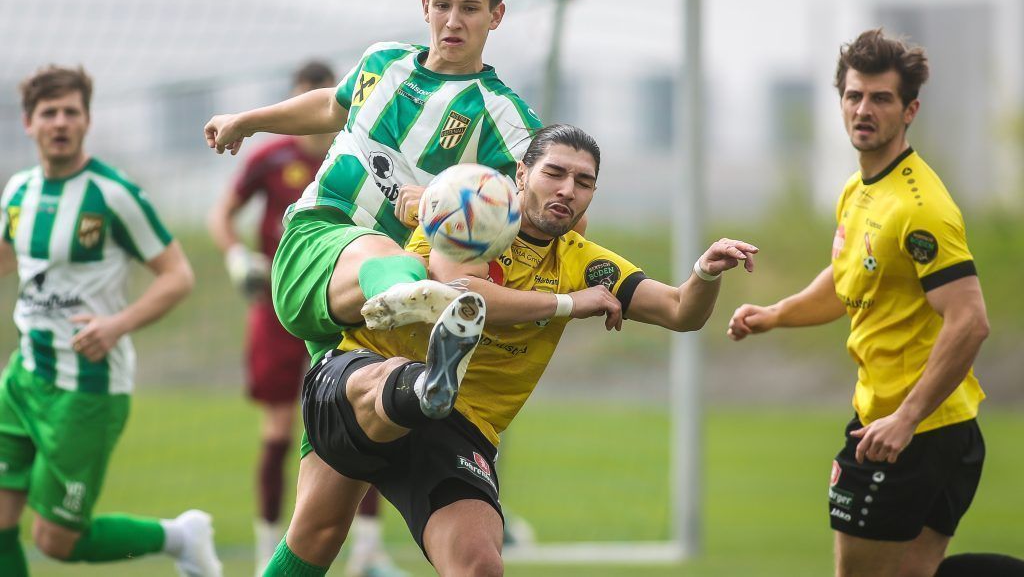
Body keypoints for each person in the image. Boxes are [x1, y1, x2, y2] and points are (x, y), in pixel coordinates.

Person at [203, 0, 545, 574]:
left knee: (319, 526)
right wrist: (249, 119)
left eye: (469, 8)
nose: (452, 21)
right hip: (321, 242)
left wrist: (467, 207)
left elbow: (539, 204)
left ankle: (422, 318)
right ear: (423, 5)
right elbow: (329, 107)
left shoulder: (507, 120)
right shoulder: (384, 62)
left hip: (369, 337)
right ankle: (428, 300)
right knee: (394, 257)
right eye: (441, 4)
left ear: (496, 15)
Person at [283, 124, 758, 576]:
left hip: (459, 426)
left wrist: (706, 271)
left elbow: (680, 311)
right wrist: (569, 304)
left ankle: (431, 389)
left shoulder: (582, 262)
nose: (567, 189)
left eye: (583, 181)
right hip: (363, 378)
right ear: (522, 174)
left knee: (477, 564)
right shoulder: (470, 203)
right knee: (319, 530)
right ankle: (426, 383)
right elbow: (457, 287)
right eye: (555, 172)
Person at [727, 29, 1022, 577]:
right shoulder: (858, 189)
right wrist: (774, 315)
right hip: (933, 426)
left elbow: (970, 321)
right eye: (854, 95)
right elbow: (847, 278)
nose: (864, 109)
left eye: (881, 98)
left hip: (906, 432)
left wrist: (906, 419)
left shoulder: (921, 207)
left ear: (909, 110)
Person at [0, 66, 222, 576]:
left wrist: (115, 324)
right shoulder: (17, 191)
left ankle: (180, 537)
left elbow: (177, 275)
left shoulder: (112, 194)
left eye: (70, 112)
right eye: (49, 113)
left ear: (87, 120)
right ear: (28, 122)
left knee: (56, 540)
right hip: (25, 377)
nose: (60, 122)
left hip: (87, 389)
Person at [208, 61, 406, 577]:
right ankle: (266, 547)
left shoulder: (361, 161)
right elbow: (222, 214)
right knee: (276, 428)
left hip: (347, 293)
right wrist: (236, 256)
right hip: (282, 301)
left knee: (365, 415)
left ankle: (366, 553)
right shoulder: (271, 157)